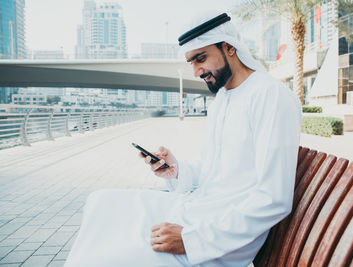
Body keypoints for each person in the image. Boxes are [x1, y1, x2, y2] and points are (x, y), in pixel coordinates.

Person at [65, 11, 301, 267]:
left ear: (229, 47)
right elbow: (213, 170)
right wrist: (176, 171)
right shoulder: (223, 98)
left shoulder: (270, 96)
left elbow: (273, 198)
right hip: (197, 210)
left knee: (106, 258)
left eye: (201, 58)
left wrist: (191, 239)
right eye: (191, 62)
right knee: (101, 202)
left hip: (218, 239)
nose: (197, 71)